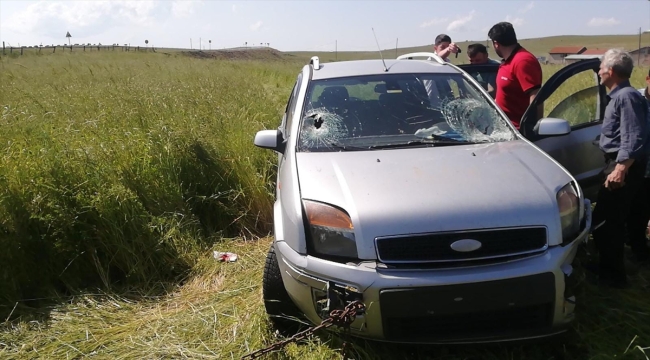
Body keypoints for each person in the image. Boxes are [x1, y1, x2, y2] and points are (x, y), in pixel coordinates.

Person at [590, 48, 650, 288]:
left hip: (622, 165)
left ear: (612, 71)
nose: (599, 71)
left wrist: (620, 169)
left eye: (601, 67)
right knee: (610, 219)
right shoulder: (623, 96)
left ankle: (613, 277)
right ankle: (608, 267)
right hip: (621, 164)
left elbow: (634, 137)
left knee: (607, 221)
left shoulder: (626, 97)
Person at [487, 22, 543, 129]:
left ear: (496, 43)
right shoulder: (507, 61)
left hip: (519, 132)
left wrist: (534, 130)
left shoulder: (523, 61)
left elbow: (536, 96)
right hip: (504, 129)